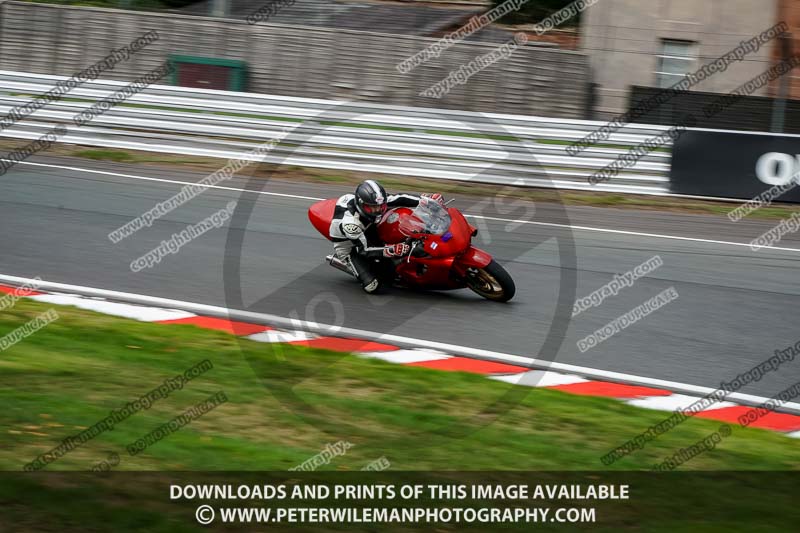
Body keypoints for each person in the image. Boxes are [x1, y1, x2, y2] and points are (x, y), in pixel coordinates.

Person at [329, 179, 442, 293]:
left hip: (368, 228)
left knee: (401, 227)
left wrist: (427, 201)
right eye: (372, 207)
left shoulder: (374, 201)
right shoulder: (351, 224)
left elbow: (399, 198)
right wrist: (392, 249)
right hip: (351, 247)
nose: (377, 210)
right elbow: (365, 250)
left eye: (380, 206)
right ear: (361, 205)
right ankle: (348, 263)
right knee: (372, 286)